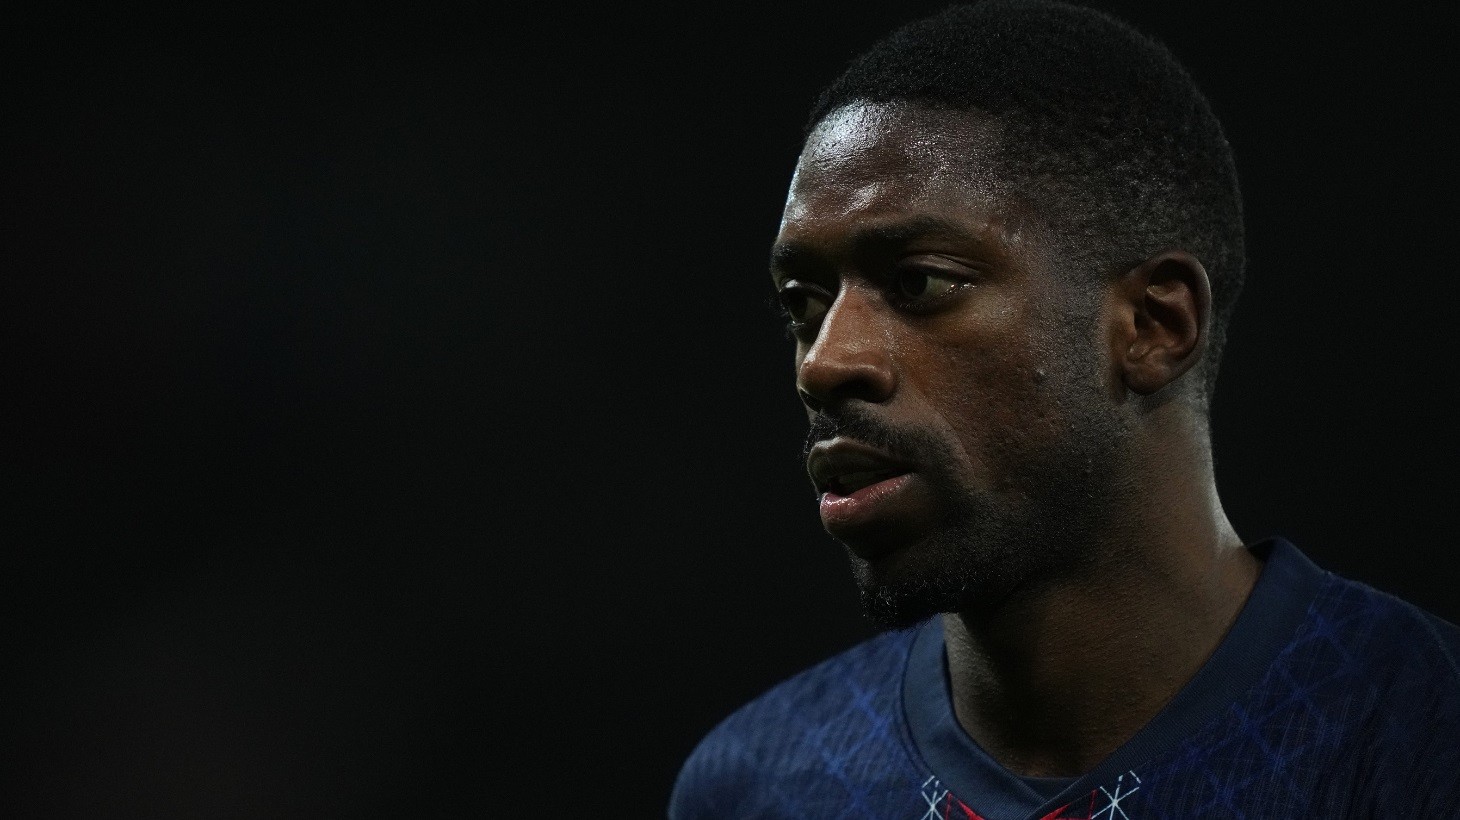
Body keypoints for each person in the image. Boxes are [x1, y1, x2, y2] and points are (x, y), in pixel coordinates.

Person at [668, 2, 1460, 817]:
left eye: (920, 282)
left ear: (1152, 326)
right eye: (803, 303)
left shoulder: (1420, 737)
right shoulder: (753, 787)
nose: (824, 363)